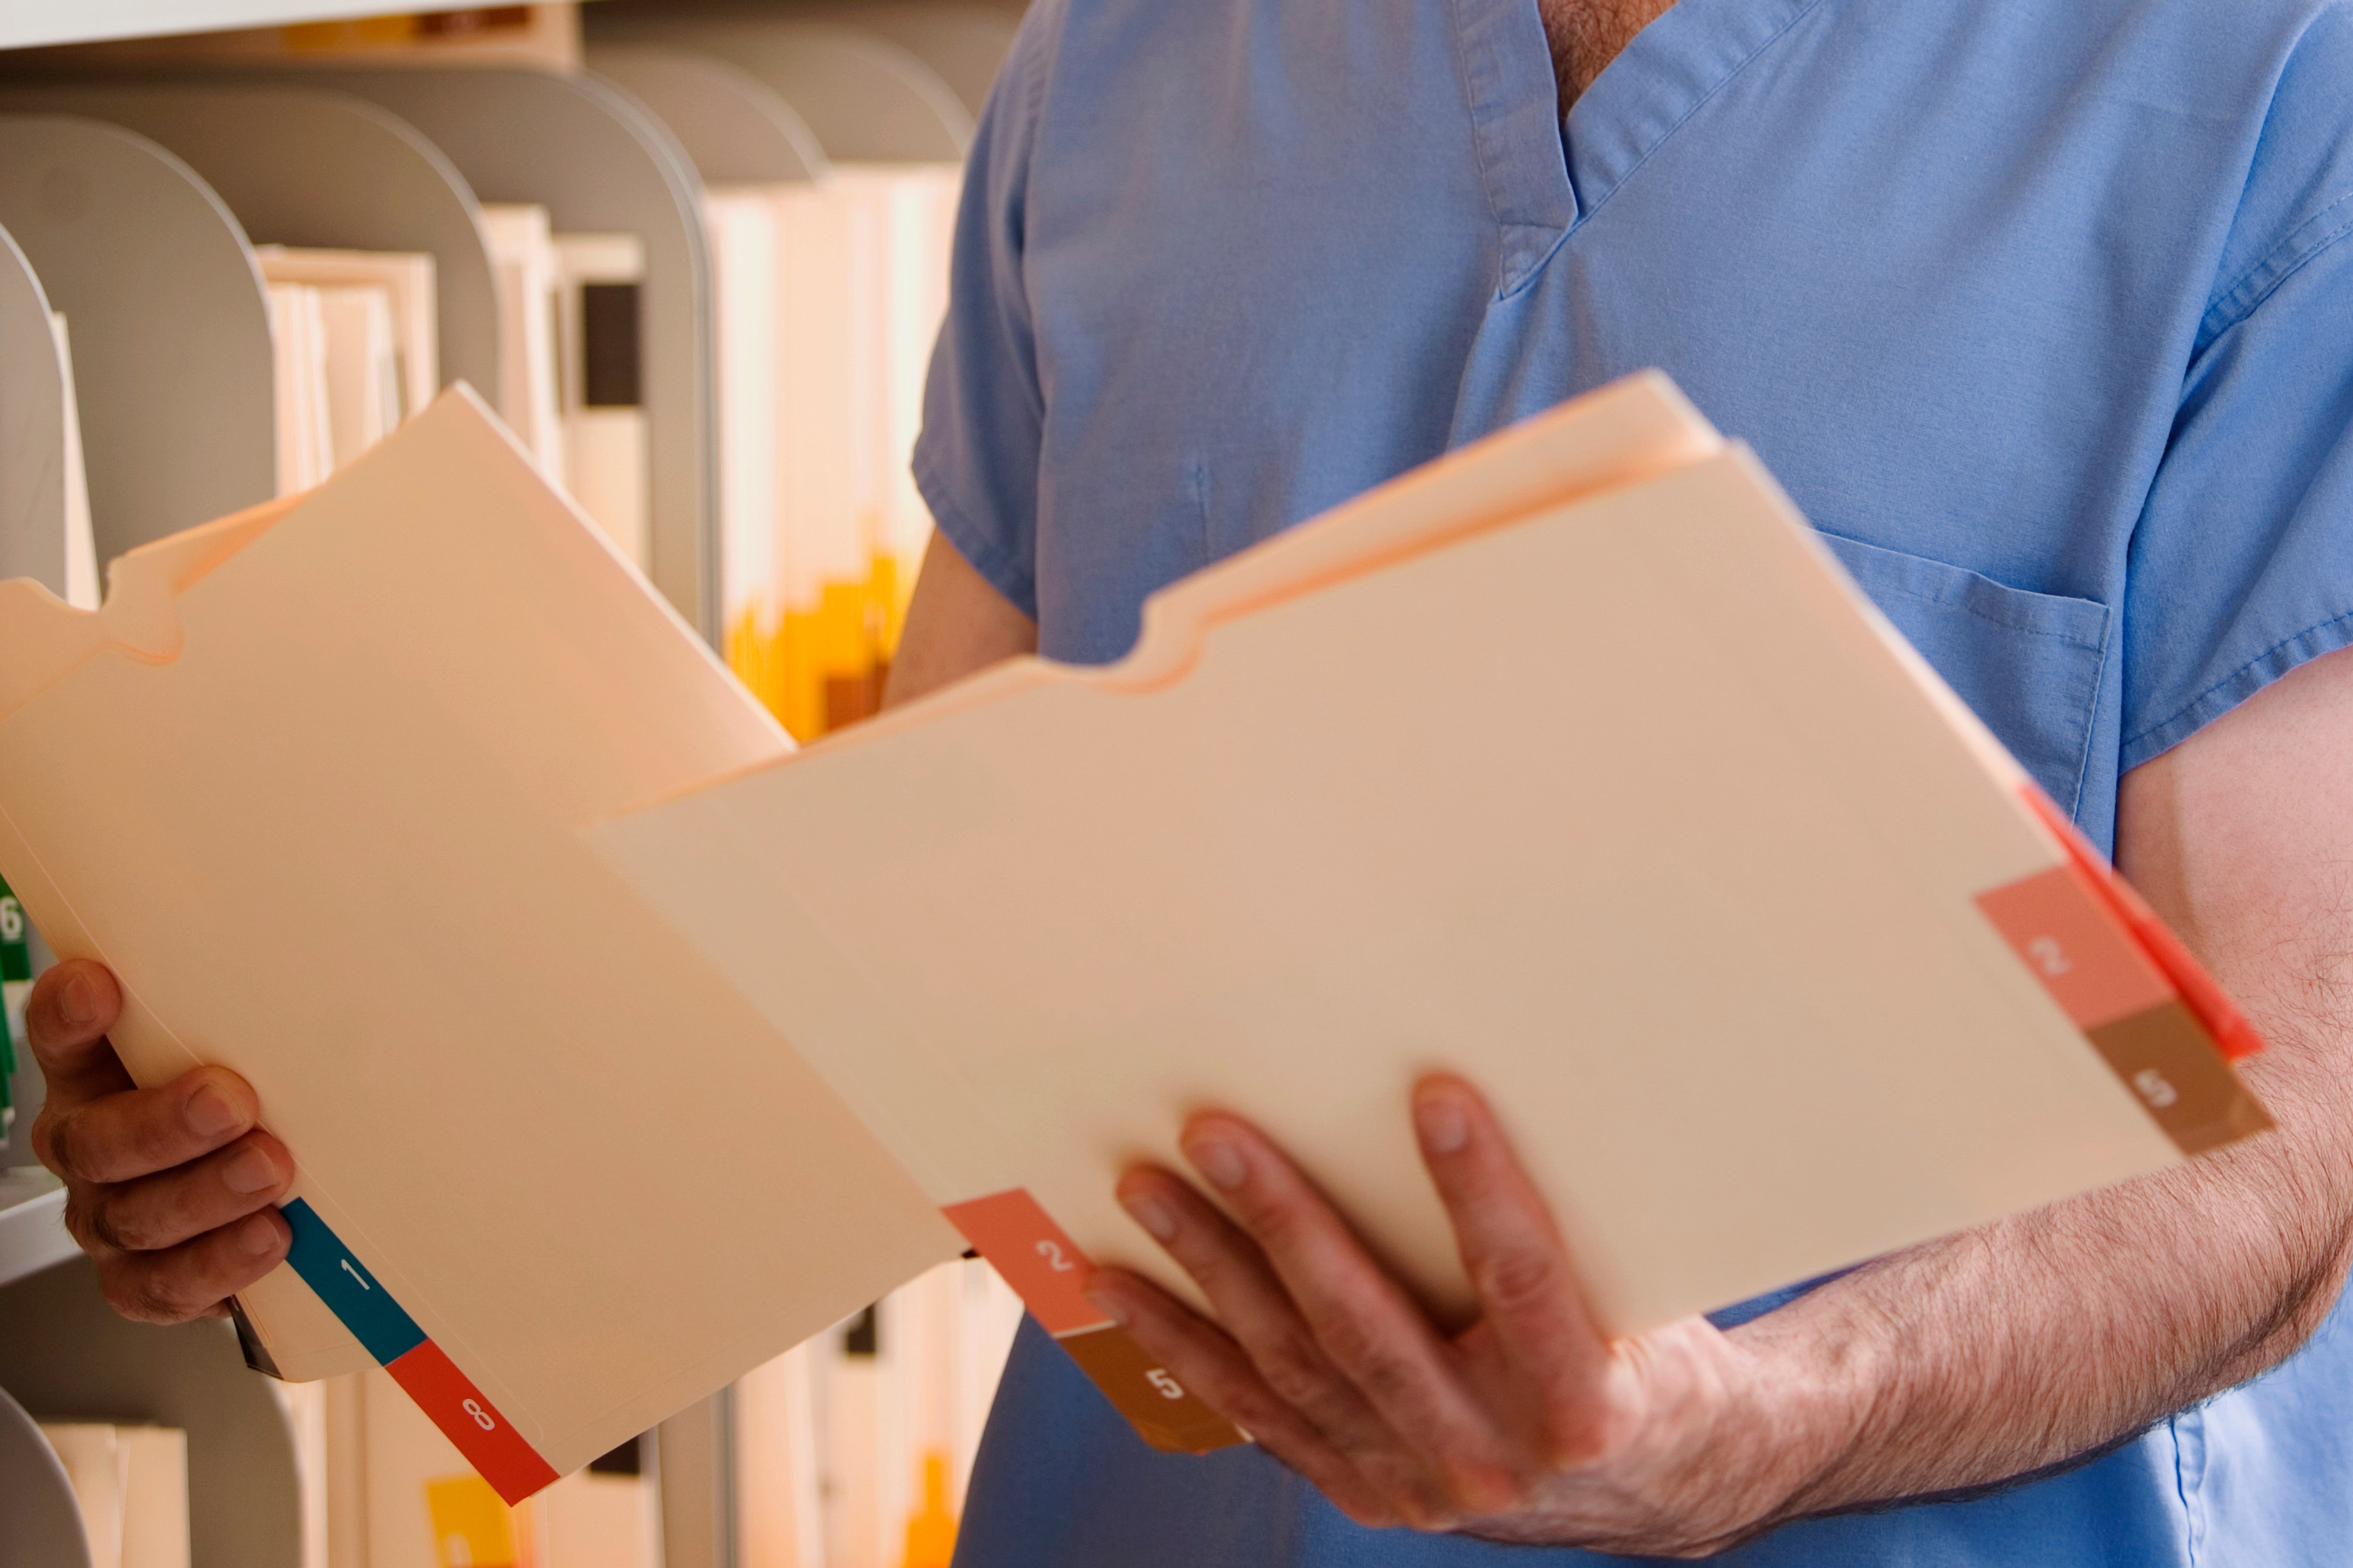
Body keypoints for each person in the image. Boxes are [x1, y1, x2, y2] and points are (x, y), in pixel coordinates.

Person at [20, 0, 2353, 1559]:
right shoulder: (1124, 61)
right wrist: (330, 1145)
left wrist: (1782, 1421)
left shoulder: (2265, 89)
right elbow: (922, 984)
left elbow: (2295, 1126)